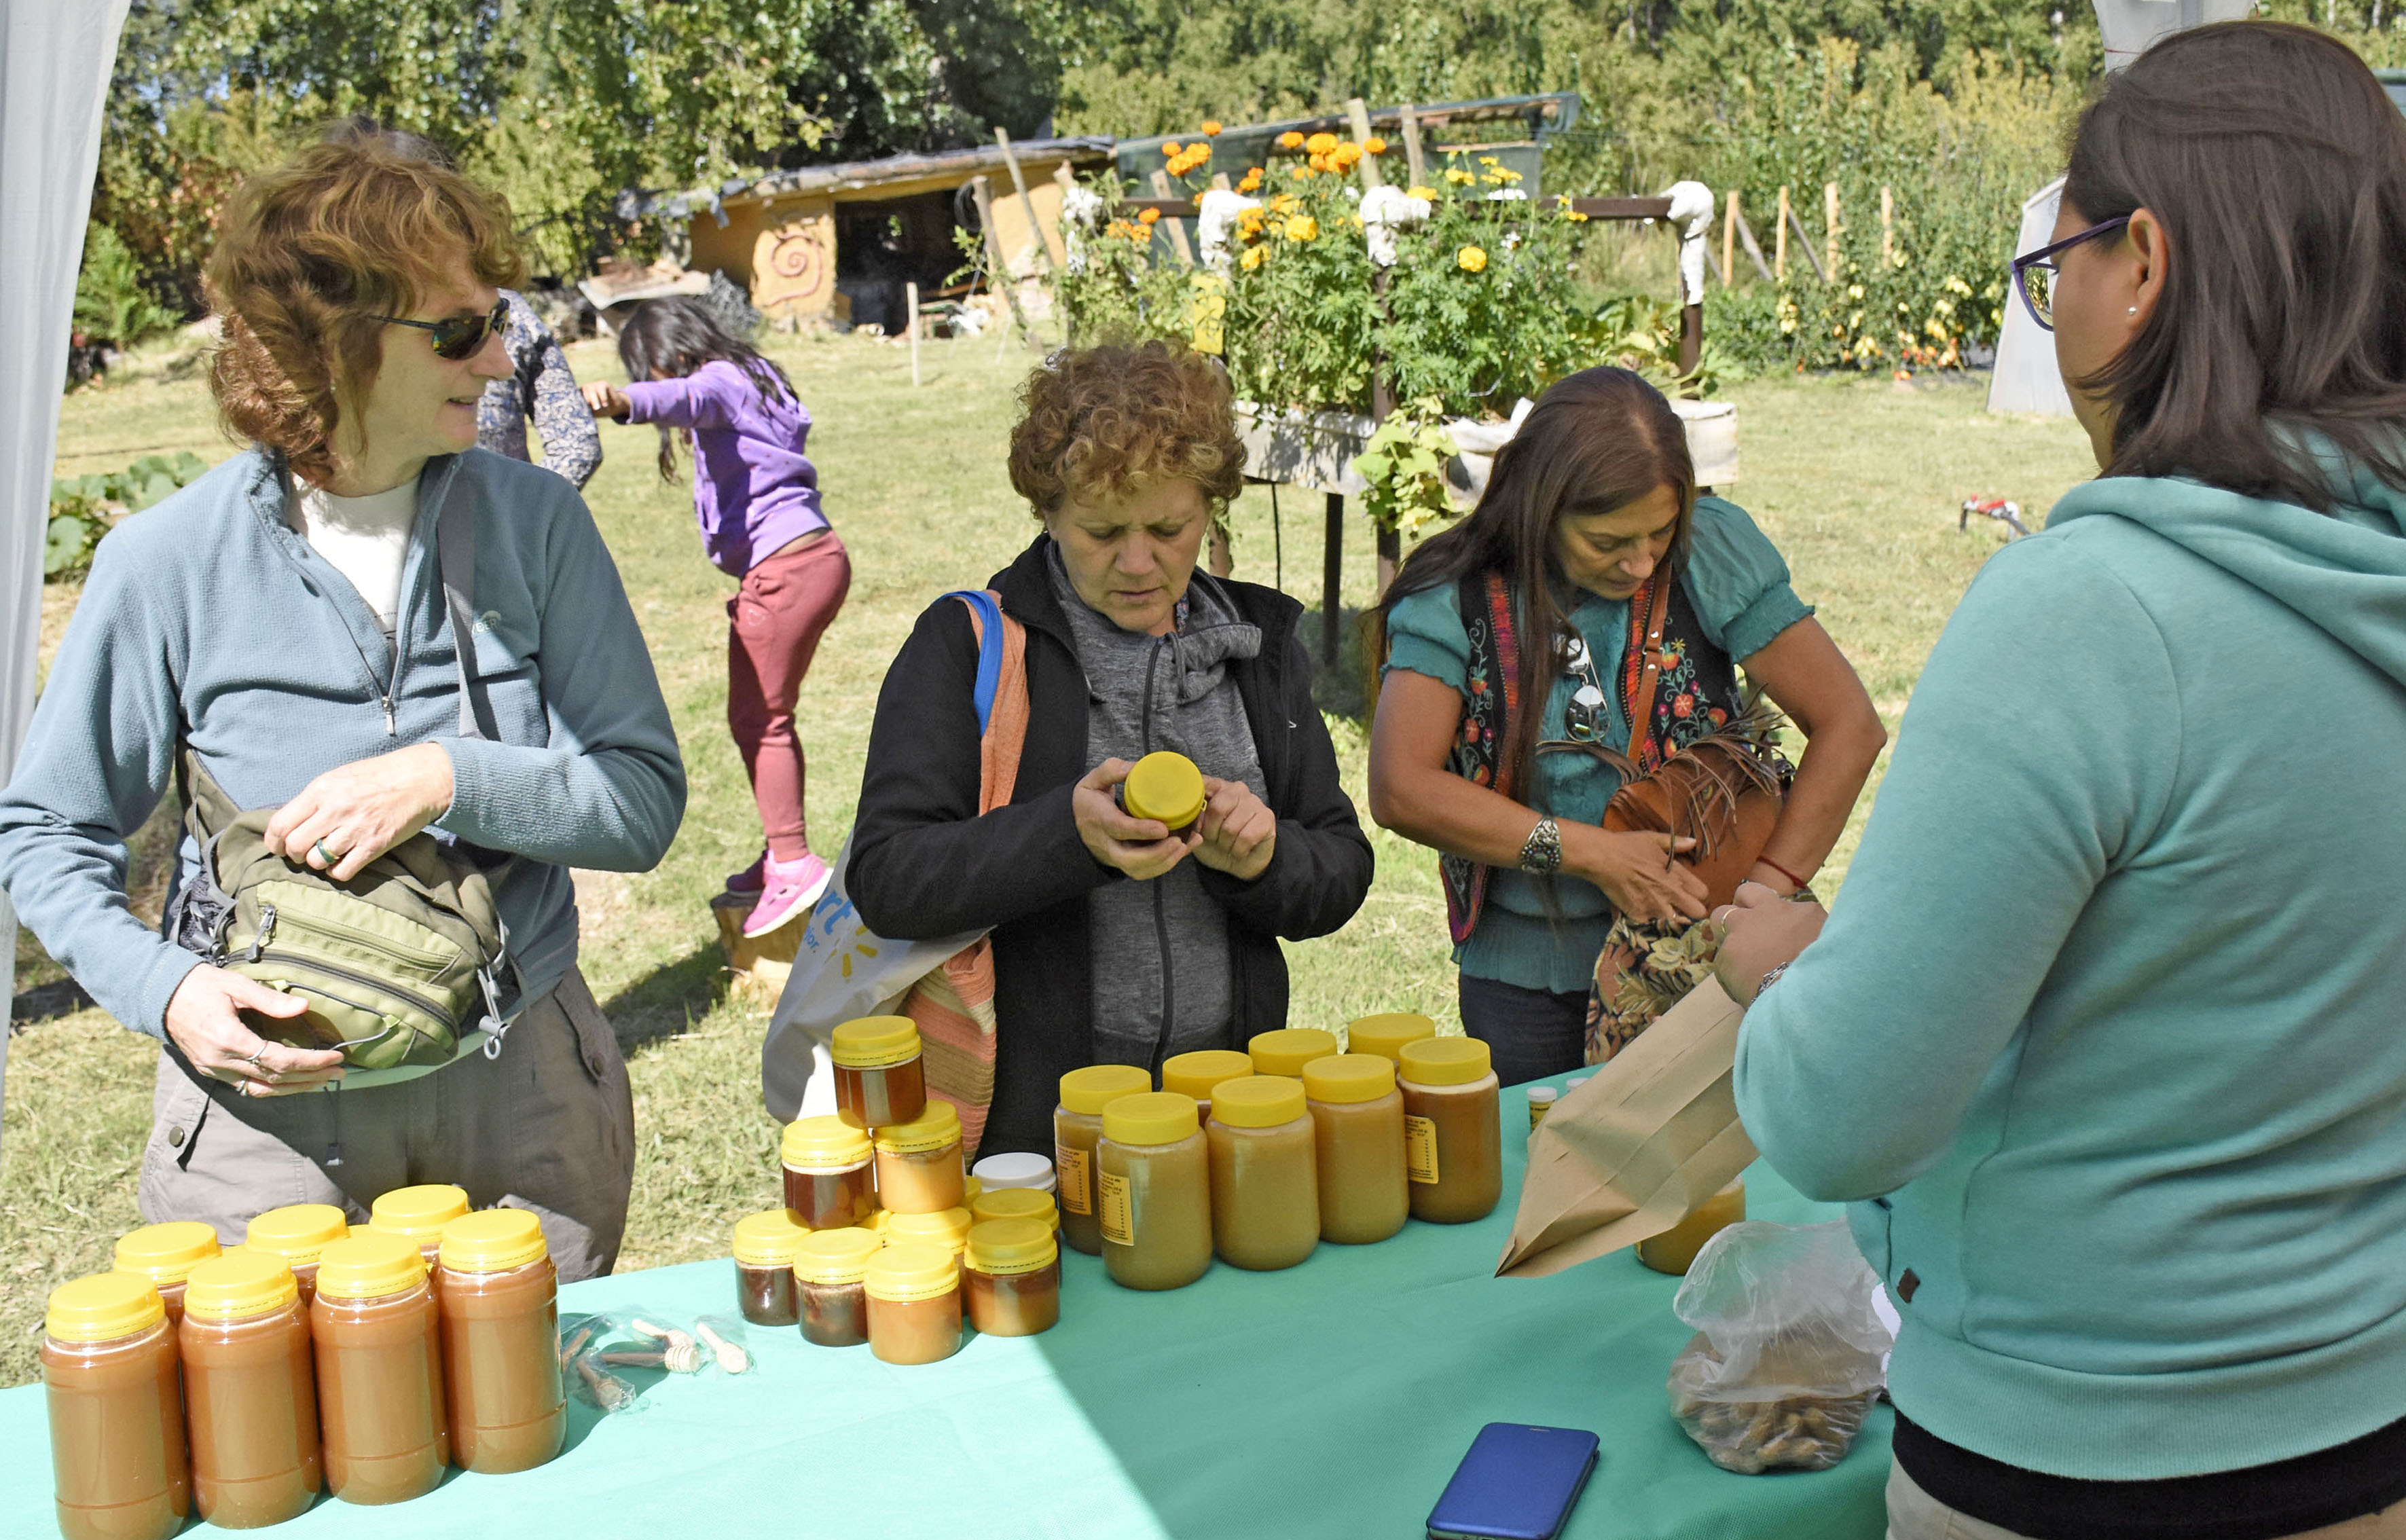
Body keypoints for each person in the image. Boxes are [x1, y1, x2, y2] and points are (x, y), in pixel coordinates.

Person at [1716, 23, 2406, 1540]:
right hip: (2363, 1426)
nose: (2056, 307)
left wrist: (1778, 974)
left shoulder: (2090, 612)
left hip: (2097, 1481)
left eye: (2056, 268)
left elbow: (1839, 1112)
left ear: (2142, 265)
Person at [0, 130, 686, 1279]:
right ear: (332, 342)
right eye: (459, 331)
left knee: (535, 1395)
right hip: (269, 1138)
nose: (501, 361)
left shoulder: (538, 524)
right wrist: (168, 991)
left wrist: (446, 776)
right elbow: (45, 832)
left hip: (523, 1099)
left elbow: (641, 802)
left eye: (496, 322)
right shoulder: (164, 561)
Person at [845, 341, 1374, 1159]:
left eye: (1169, 528)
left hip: (1224, 1113)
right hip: (1040, 1129)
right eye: (1101, 531)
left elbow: (1341, 866)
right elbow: (888, 878)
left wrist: (1266, 858)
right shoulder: (968, 645)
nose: (1137, 562)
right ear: (1048, 513)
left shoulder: (1258, 647)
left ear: (1210, 507)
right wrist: (1070, 835)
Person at [1366, 367, 1882, 1084]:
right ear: (1540, 508)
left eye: (1660, 532)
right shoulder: (1453, 594)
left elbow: (1849, 725)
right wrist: (1592, 854)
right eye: (1607, 540)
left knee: (1711, 1156)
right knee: (1543, 1150)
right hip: (1528, 982)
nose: (1640, 562)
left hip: (1705, 963)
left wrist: (1757, 898)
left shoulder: (1708, 554)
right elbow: (1401, 788)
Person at [583, 299, 847, 937]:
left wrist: (624, 400)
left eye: (647, 367)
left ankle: (793, 863)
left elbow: (687, 397)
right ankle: (782, 849)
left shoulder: (720, 380)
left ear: (669, 352)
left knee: (760, 720)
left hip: (784, 570)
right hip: (815, 558)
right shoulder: (757, 374)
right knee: (765, 717)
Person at [477, 287, 602, 488]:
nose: (503, 368)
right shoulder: (513, 308)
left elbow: (577, 445)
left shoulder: (511, 310)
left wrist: (523, 504)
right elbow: (577, 444)